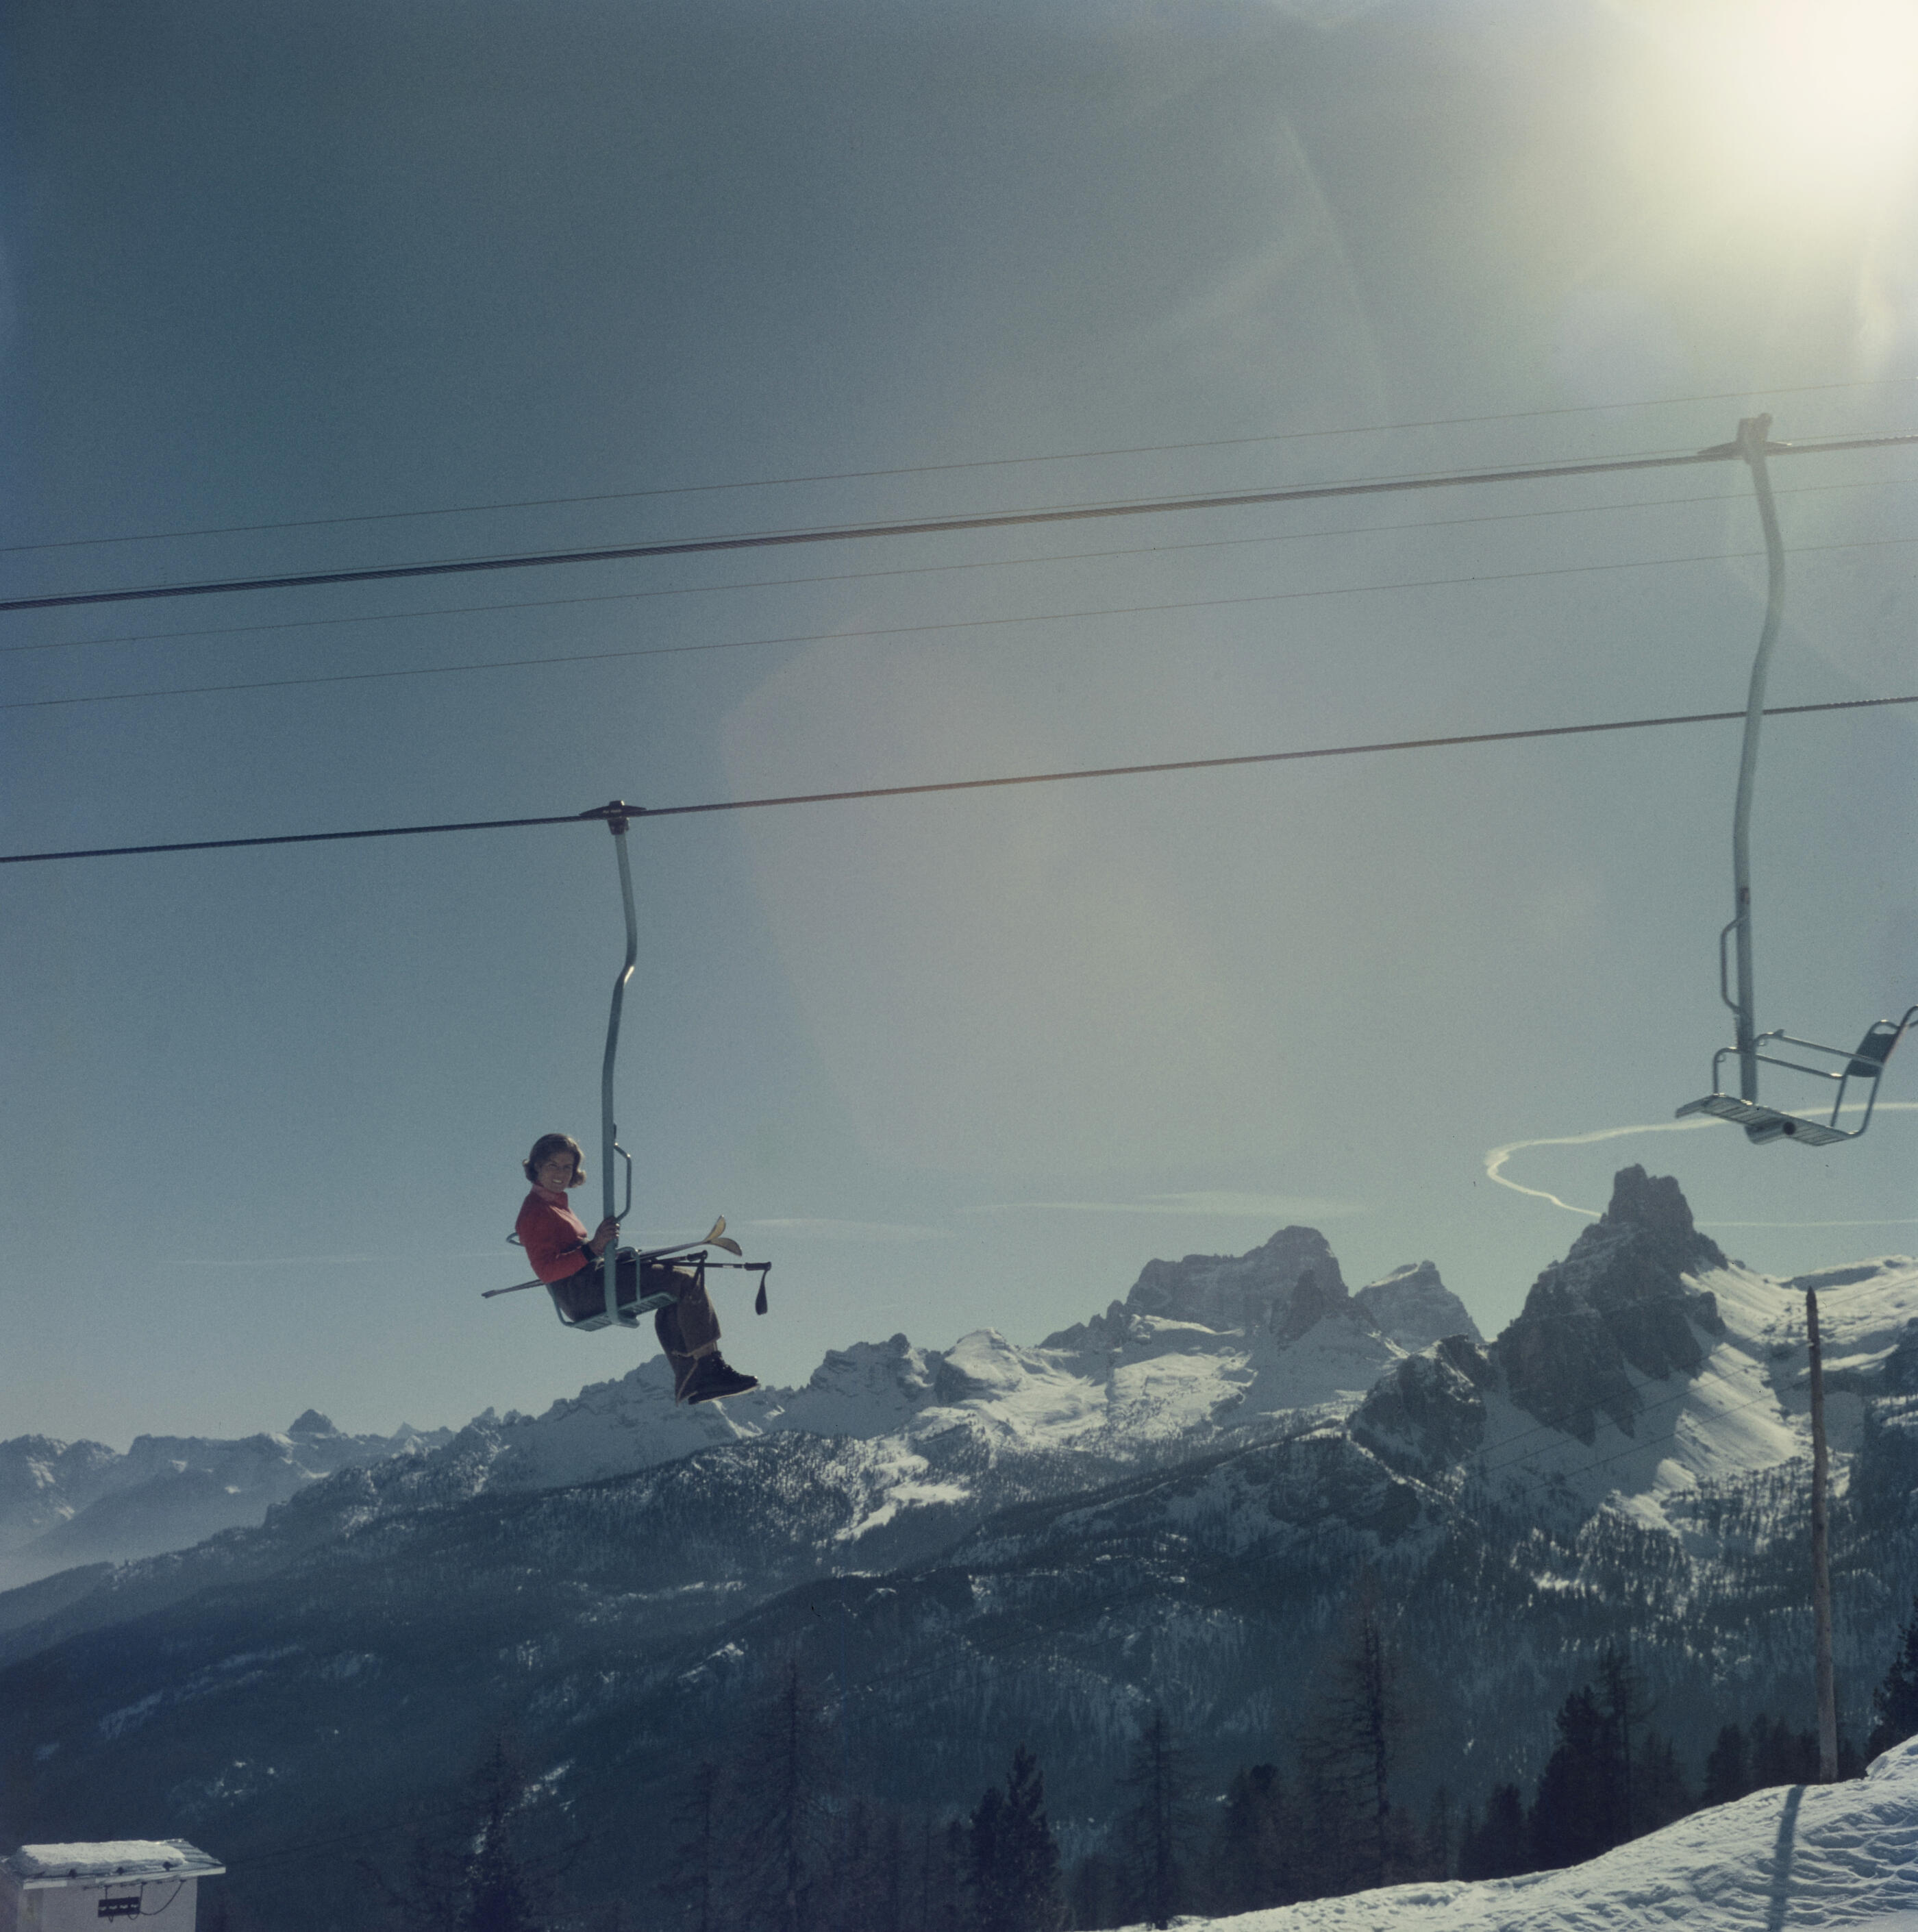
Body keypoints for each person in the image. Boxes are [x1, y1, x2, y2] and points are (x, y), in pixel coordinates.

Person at [516, 1133, 758, 1404]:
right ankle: (708, 1370)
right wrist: (593, 1248)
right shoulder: (535, 1212)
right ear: (537, 1165)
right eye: (552, 1165)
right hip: (583, 1292)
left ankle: (692, 1375)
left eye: (567, 1167)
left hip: (592, 1281)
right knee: (685, 1282)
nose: (561, 1173)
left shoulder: (555, 1204)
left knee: (673, 1287)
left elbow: (574, 1251)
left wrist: (603, 1254)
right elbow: (547, 1271)